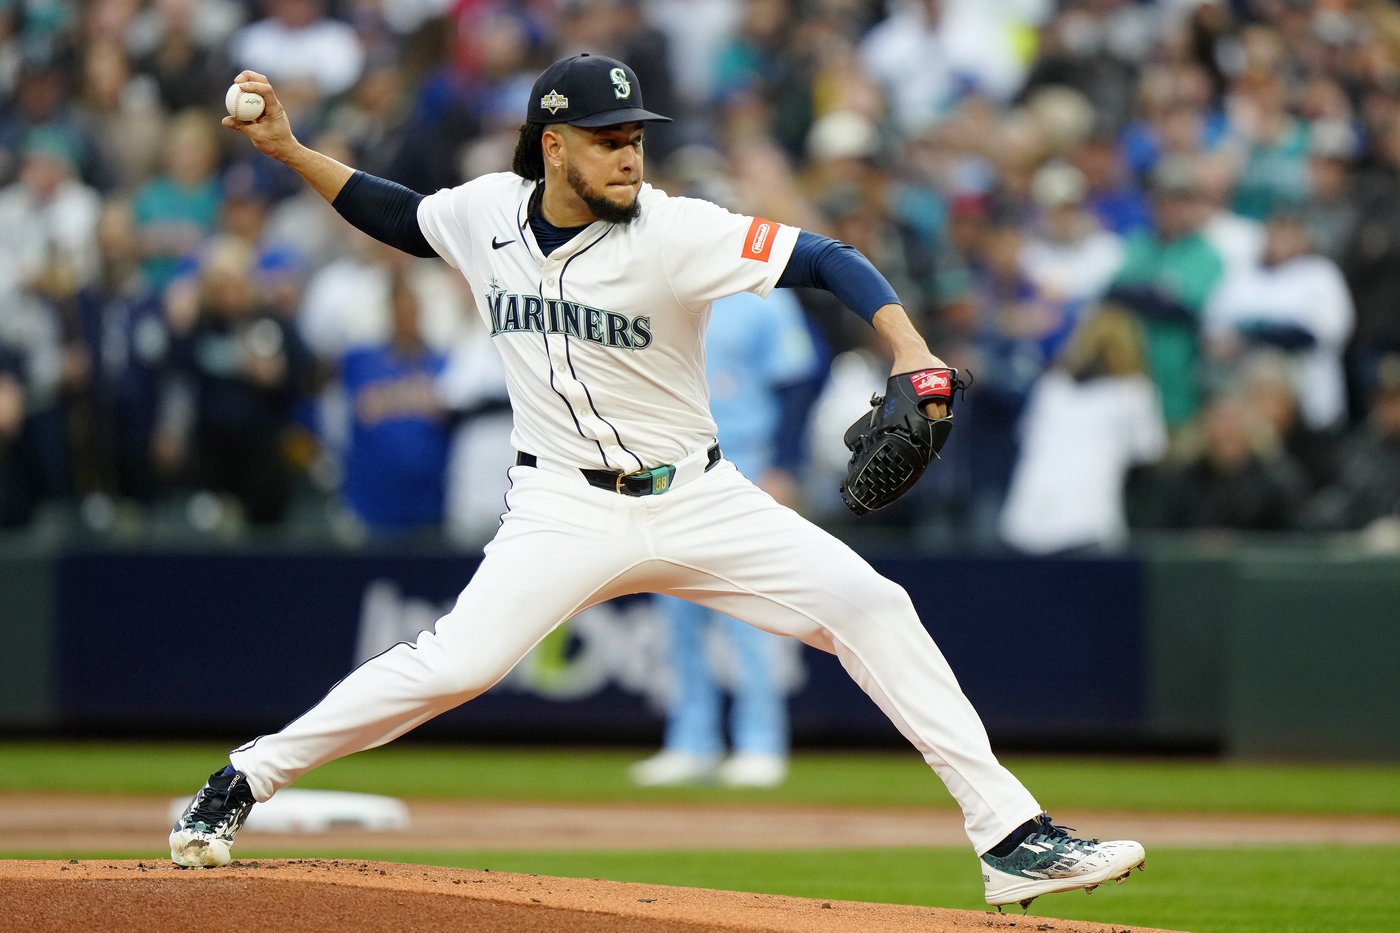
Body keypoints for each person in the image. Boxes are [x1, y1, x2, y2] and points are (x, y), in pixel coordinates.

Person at [169, 54, 1145, 911]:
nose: (629, 155)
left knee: (872, 603)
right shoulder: (482, 214)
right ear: (552, 146)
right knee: (455, 665)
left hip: (701, 497)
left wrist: (908, 347)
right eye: (606, 139)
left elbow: (826, 258)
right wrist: (293, 152)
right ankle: (245, 779)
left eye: (635, 135)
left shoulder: (675, 231)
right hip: (560, 504)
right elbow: (397, 214)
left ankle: (1011, 840)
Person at [628, 287, 818, 789]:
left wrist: (786, 465)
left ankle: (761, 742)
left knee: (748, 609)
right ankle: (692, 741)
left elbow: (796, 382)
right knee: (678, 612)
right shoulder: (661, 289)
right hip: (670, 468)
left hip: (745, 459)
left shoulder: (763, 299)